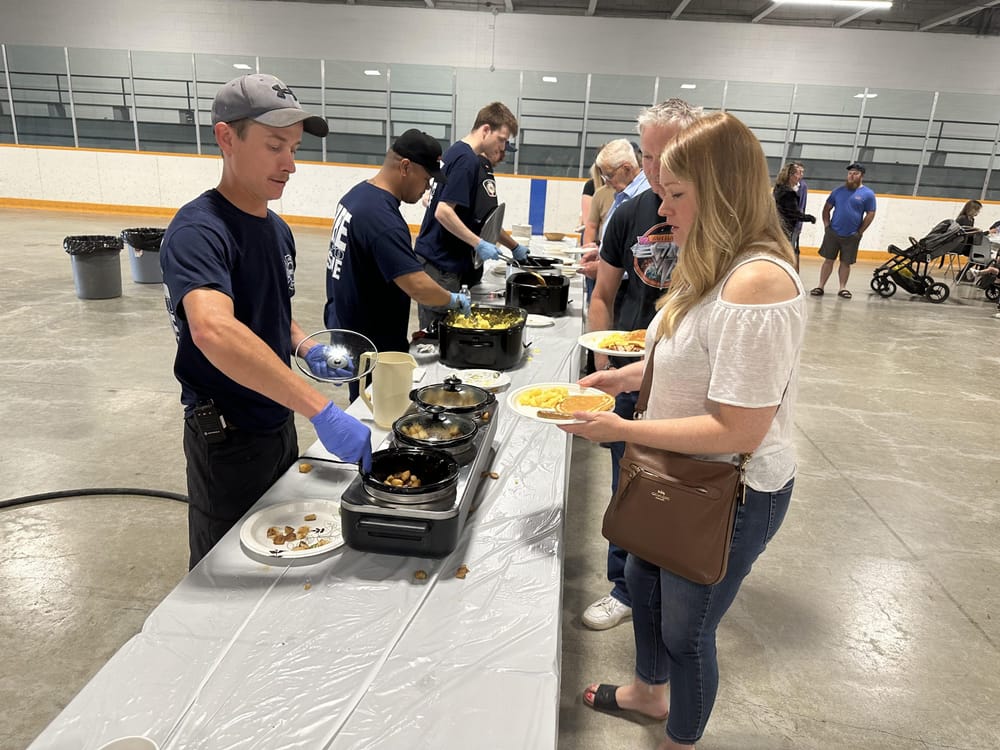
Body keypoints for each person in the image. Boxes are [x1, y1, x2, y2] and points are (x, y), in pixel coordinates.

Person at [564, 111, 805, 749]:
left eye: (676, 195)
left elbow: (738, 428)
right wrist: (628, 378)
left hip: (729, 487)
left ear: (722, 190)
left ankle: (680, 737)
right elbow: (693, 355)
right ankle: (649, 691)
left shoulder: (757, 282)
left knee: (687, 632)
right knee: (641, 582)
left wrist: (620, 432)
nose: (663, 210)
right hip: (675, 469)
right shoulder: (715, 259)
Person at [160, 73, 373, 569]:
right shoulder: (199, 231)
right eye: (275, 145)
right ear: (226, 137)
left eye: (295, 148)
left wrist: (303, 346)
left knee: (282, 546)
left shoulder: (276, 230)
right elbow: (213, 329)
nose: (290, 165)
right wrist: (321, 408)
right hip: (228, 438)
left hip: (276, 421)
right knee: (226, 567)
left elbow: (268, 314)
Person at [580, 99, 703, 631]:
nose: (654, 171)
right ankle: (623, 588)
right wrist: (606, 361)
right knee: (626, 491)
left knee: (680, 496)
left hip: (690, 387)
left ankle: (675, 590)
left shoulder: (714, 224)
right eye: (649, 157)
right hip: (634, 375)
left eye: (665, 156)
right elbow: (602, 294)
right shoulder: (630, 213)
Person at [323, 129, 471, 401]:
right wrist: (452, 300)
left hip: (349, 330)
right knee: (378, 416)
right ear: (405, 167)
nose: (427, 188)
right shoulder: (381, 219)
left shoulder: (356, 197)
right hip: (373, 347)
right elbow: (416, 285)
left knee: (366, 407)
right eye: (426, 179)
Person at [413, 102, 530, 329]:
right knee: (438, 334)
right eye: (502, 139)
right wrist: (479, 243)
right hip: (440, 264)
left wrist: (512, 246)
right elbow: (443, 211)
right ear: (485, 130)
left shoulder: (456, 151)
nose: (503, 146)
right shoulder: (467, 160)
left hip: (439, 260)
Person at [809, 162, 877, 299]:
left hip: (852, 235)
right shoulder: (838, 191)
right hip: (833, 232)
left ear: (861, 176)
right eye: (850, 173)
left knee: (845, 262)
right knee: (828, 260)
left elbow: (870, 213)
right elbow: (827, 208)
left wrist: (860, 232)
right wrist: (827, 226)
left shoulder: (868, 194)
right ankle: (820, 286)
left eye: (855, 174)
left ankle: (842, 288)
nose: (852, 176)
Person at [772, 162, 815, 270]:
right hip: (785, 227)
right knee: (786, 253)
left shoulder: (778, 188)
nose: (799, 176)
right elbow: (793, 213)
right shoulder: (789, 193)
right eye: (798, 174)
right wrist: (809, 218)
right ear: (790, 175)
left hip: (778, 225)